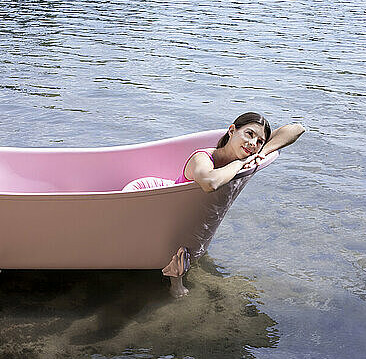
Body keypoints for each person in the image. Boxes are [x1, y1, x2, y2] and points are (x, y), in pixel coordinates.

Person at [123, 112, 305, 297]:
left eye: (259, 141)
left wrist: (263, 152)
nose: (253, 143)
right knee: (174, 237)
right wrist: (241, 163)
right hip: (147, 195)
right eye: (249, 134)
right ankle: (172, 276)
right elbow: (210, 183)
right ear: (232, 131)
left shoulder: (254, 151)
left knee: (191, 235)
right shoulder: (202, 157)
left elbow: (297, 129)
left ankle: (175, 270)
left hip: (181, 209)